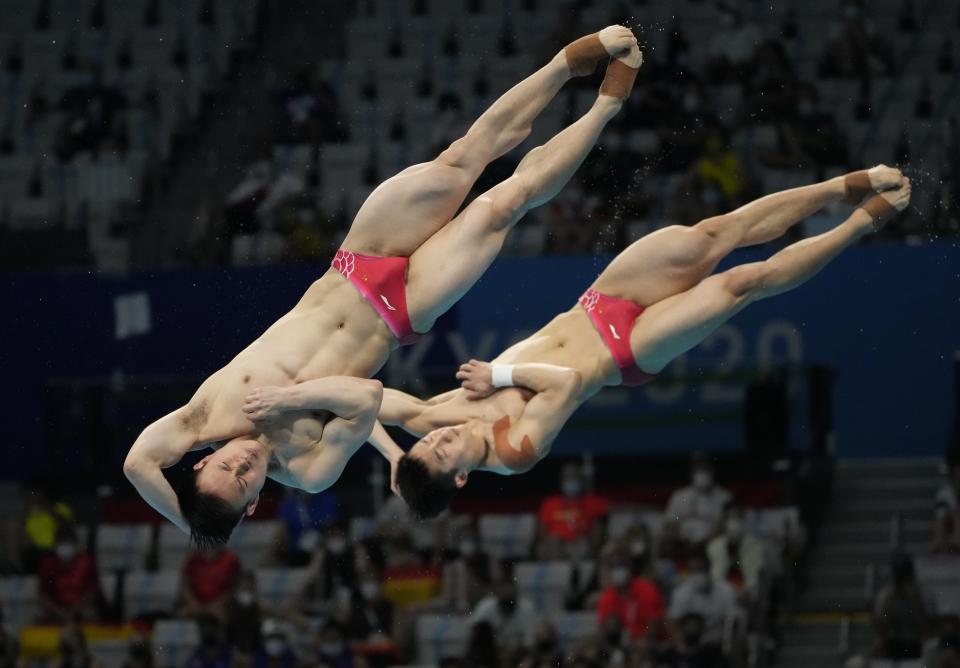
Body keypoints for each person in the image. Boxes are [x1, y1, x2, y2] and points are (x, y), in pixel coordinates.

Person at [123, 25, 644, 549]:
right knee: (503, 206)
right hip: (403, 310)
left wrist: (193, 527)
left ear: (202, 462)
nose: (242, 465)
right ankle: (607, 104)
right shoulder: (307, 468)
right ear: (256, 499)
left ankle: (566, 62)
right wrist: (287, 399)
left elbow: (137, 465)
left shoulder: (199, 418)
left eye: (225, 468)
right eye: (244, 484)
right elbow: (367, 398)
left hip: (356, 262)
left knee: (464, 158)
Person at [380, 166, 911, 518]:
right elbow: (565, 385)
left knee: (713, 233)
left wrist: (367, 444)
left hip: (596, 302)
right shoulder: (514, 452)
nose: (437, 440)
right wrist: (497, 376)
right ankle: (861, 223)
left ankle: (842, 186)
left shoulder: (431, 418)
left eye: (427, 444)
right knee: (742, 284)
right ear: (463, 477)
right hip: (627, 350)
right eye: (441, 452)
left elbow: (363, 403)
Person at [666, 551, 738, 663]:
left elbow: (732, 623)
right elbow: (672, 621)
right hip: (689, 646)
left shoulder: (726, 591)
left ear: (709, 569)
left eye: (700, 570)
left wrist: (727, 648)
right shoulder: (681, 592)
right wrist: (681, 645)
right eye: (693, 571)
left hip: (716, 646)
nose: (697, 575)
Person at [537, 462, 609, 559]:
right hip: (556, 546)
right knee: (552, 541)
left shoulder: (591, 502)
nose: (571, 480)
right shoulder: (550, 504)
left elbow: (615, 508)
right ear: (562, 480)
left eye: (574, 477)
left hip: (581, 544)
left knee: (581, 545)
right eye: (567, 477)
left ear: (581, 479)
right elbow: (541, 531)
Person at [665, 453, 732, 548]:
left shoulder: (725, 497)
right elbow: (670, 522)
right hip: (683, 544)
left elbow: (725, 525)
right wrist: (680, 539)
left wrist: (705, 541)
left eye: (705, 468)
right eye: (698, 468)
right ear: (691, 470)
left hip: (712, 543)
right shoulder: (679, 495)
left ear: (712, 469)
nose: (702, 472)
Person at [596, 551, 665, 642]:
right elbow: (603, 627)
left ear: (629, 568)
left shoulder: (646, 589)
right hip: (620, 644)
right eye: (613, 568)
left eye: (620, 566)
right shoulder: (607, 596)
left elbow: (654, 622)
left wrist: (644, 639)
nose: (617, 571)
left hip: (648, 642)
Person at [37, 526, 101, 623]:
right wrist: (60, 612)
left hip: (80, 609)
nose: (65, 547)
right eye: (62, 544)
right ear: (55, 545)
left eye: (68, 543)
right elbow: (43, 595)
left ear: (75, 545)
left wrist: (73, 611)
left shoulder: (86, 562)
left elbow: (91, 592)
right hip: (57, 610)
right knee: (39, 619)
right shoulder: (48, 564)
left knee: (90, 614)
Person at [873, 552, 929, 660]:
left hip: (917, 640)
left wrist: (915, 604)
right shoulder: (886, 596)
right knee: (878, 643)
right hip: (894, 641)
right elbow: (880, 626)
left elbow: (927, 625)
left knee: (930, 644)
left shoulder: (921, 594)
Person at [177, 544, 241, 622]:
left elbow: (234, 588)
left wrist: (219, 604)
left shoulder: (230, 559)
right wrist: (193, 603)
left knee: (227, 616)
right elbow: (185, 586)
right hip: (195, 604)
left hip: (221, 605)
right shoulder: (193, 558)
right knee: (181, 614)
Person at [934, 457, 960, 552]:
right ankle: (939, 543)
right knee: (942, 515)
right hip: (950, 518)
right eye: (957, 474)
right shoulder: (945, 491)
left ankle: (956, 542)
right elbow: (941, 513)